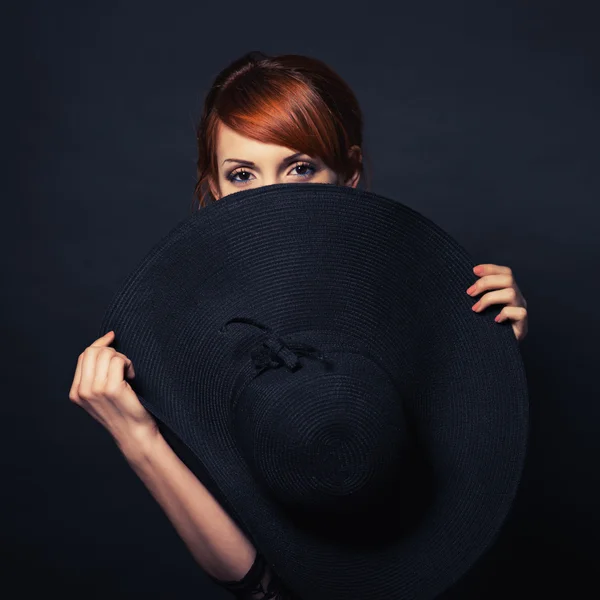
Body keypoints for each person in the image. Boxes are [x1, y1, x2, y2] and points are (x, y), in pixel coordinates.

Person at [69, 51, 529, 599]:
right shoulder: (180, 334)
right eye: (242, 175)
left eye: (300, 167)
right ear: (213, 189)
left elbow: (458, 494)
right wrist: (138, 436)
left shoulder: (417, 295)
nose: (274, 198)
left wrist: (490, 355)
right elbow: (263, 586)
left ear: (349, 174)